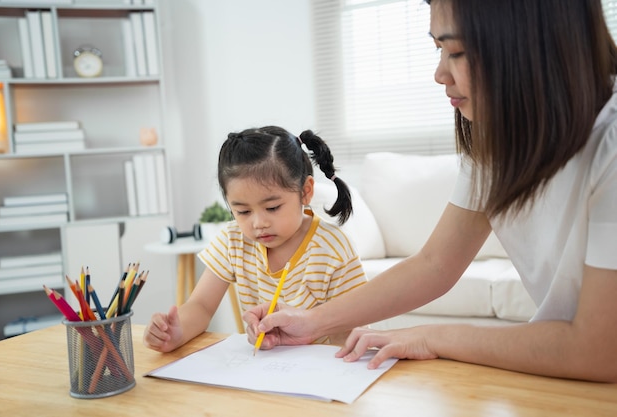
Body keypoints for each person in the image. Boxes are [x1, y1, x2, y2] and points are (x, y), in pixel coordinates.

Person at [243, 0, 617, 382]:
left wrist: (432, 336)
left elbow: (599, 349)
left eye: (456, 51)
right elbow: (435, 264)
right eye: (438, 49)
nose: (440, 74)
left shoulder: (611, 145)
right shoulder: (497, 139)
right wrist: (310, 321)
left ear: (532, 43)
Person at [143, 126, 367, 352]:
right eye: (243, 212)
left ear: (305, 191)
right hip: (259, 370)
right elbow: (201, 305)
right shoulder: (234, 240)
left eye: (272, 207)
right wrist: (176, 332)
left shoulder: (333, 249)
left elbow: (350, 331)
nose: (258, 223)